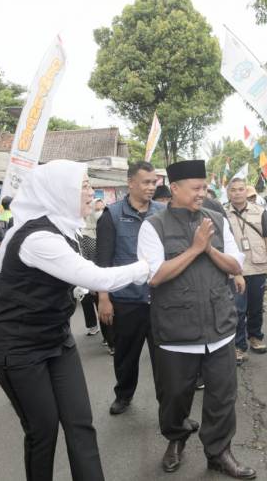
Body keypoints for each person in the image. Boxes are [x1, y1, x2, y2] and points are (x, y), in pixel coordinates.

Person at [0, 160, 150, 481]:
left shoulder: (65, 228)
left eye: (90, 185)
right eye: (85, 185)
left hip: (57, 341)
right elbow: (92, 276)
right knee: (42, 430)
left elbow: (72, 283)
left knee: (80, 423)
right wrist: (147, 266)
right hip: (18, 348)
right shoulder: (37, 238)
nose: (92, 191)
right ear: (61, 191)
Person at [137, 160, 255, 479]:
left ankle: (219, 452)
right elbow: (155, 276)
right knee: (174, 397)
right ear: (175, 189)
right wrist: (194, 249)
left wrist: (209, 251)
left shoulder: (217, 219)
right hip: (176, 331)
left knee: (222, 397)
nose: (203, 193)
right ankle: (176, 436)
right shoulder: (154, 226)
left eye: (205, 187)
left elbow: (234, 265)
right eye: (196, 188)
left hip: (219, 327)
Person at [96, 161, 164, 415]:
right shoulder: (111, 215)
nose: (151, 187)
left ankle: (166, 402)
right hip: (126, 300)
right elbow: (103, 261)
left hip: (158, 299)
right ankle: (124, 395)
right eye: (146, 182)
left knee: (164, 357)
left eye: (154, 182)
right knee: (126, 355)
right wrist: (104, 298)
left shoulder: (162, 212)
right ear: (131, 183)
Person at [226, 177, 267, 364]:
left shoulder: (260, 211)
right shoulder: (223, 214)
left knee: (256, 306)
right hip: (235, 269)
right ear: (228, 193)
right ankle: (239, 346)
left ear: (246, 191)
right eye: (233, 190)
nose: (237, 193)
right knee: (237, 309)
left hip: (257, 266)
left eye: (241, 189)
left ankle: (255, 336)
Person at [78, 198, 105, 340]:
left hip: (103, 272)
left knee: (102, 302)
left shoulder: (105, 227)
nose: (100, 213)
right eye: (97, 210)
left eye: (102, 209)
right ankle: (92, 325)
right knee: (88, 300)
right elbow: (83, 255)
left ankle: (107, 335)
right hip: (87, 272)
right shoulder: (84, 233)